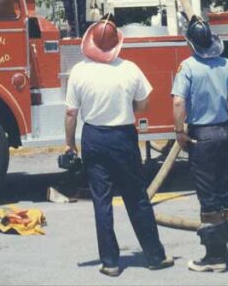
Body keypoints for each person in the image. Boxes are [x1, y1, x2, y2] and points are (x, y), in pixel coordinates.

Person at [64, 18, 174, 278]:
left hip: (93, 136)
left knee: (101, 201)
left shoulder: (79, 71)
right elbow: (144, 103)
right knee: (136, 197)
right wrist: (126, 110)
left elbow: (71, 113)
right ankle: (155, 256)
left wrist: (70, 145)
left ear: (91, 43)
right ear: (116, 44)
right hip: (123, 137)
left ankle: (110, 262)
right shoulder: (130, 69)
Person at [172, 16, 228, 273]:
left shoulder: (187, 67)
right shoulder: (227, 64)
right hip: (224, 132)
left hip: (202, 135)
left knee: (208, 194)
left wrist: (179, 132)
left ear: (191, 44)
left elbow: (178, 102)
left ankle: (215, 257)